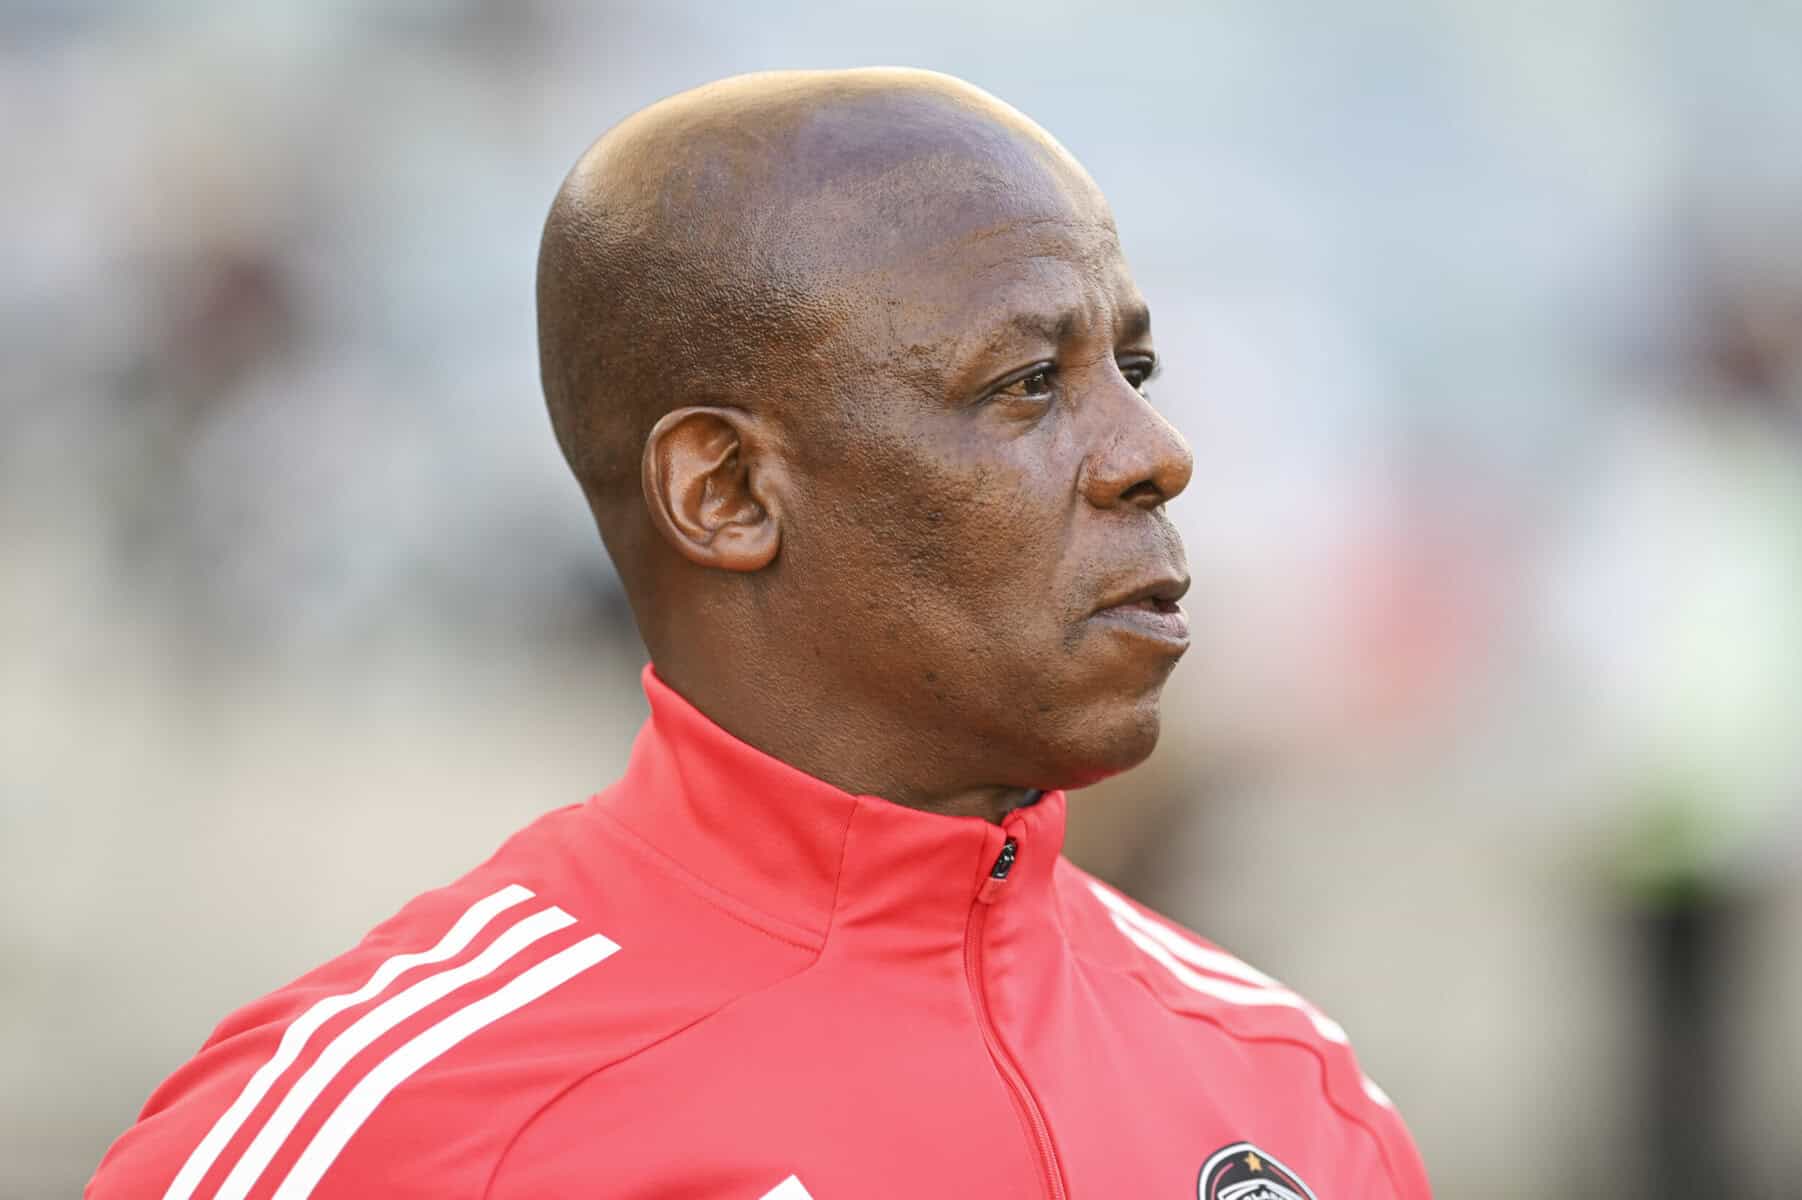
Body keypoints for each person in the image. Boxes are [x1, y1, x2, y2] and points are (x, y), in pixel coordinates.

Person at [88, 68, 1430, 1199]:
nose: (1157, 453)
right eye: (1027, 382)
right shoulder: (405, 1124)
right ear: (724, 492)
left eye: (1130, 370)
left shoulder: (1287, 1090)